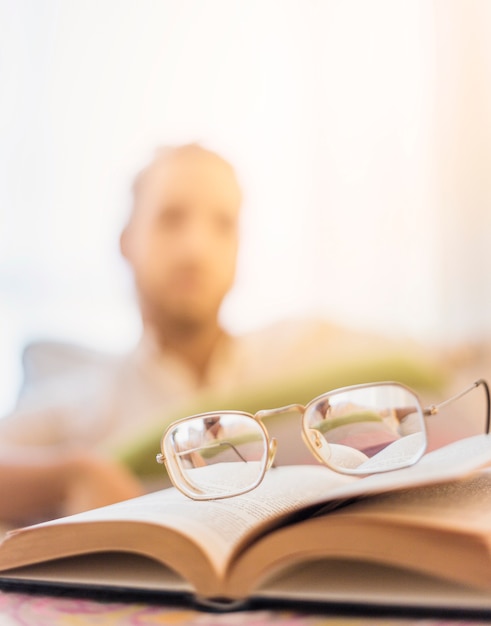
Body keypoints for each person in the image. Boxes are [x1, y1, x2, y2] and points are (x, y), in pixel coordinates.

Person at [0, 144, 445, 527]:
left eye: (223, 225)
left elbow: (434, 367)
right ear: (127, 241)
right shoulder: (81, 403)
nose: (196, 247)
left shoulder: (302, 351)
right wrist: (72, 474)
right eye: (171, 218)